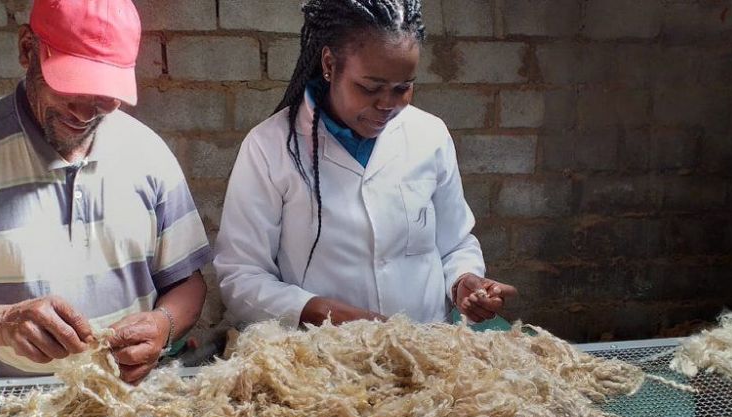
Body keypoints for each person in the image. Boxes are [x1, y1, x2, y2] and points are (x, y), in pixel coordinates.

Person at [0, 0, 211, 384]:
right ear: (27, 49)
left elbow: (187, 283)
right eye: (71, 87)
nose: (85, 113)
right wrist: (2, 323)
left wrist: (164, 324)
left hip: (124, 396)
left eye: (104, 95)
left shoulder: (148, 155)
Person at [213, 0, 516, 328]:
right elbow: (241, 276)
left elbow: (455, 243)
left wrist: (462, 281)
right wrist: (320, 312)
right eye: (369, 87)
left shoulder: (430, 135)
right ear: (329, 64)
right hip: (320, 353)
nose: (387, 104)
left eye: (403, 88)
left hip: (425, 344)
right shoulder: (269, 147)